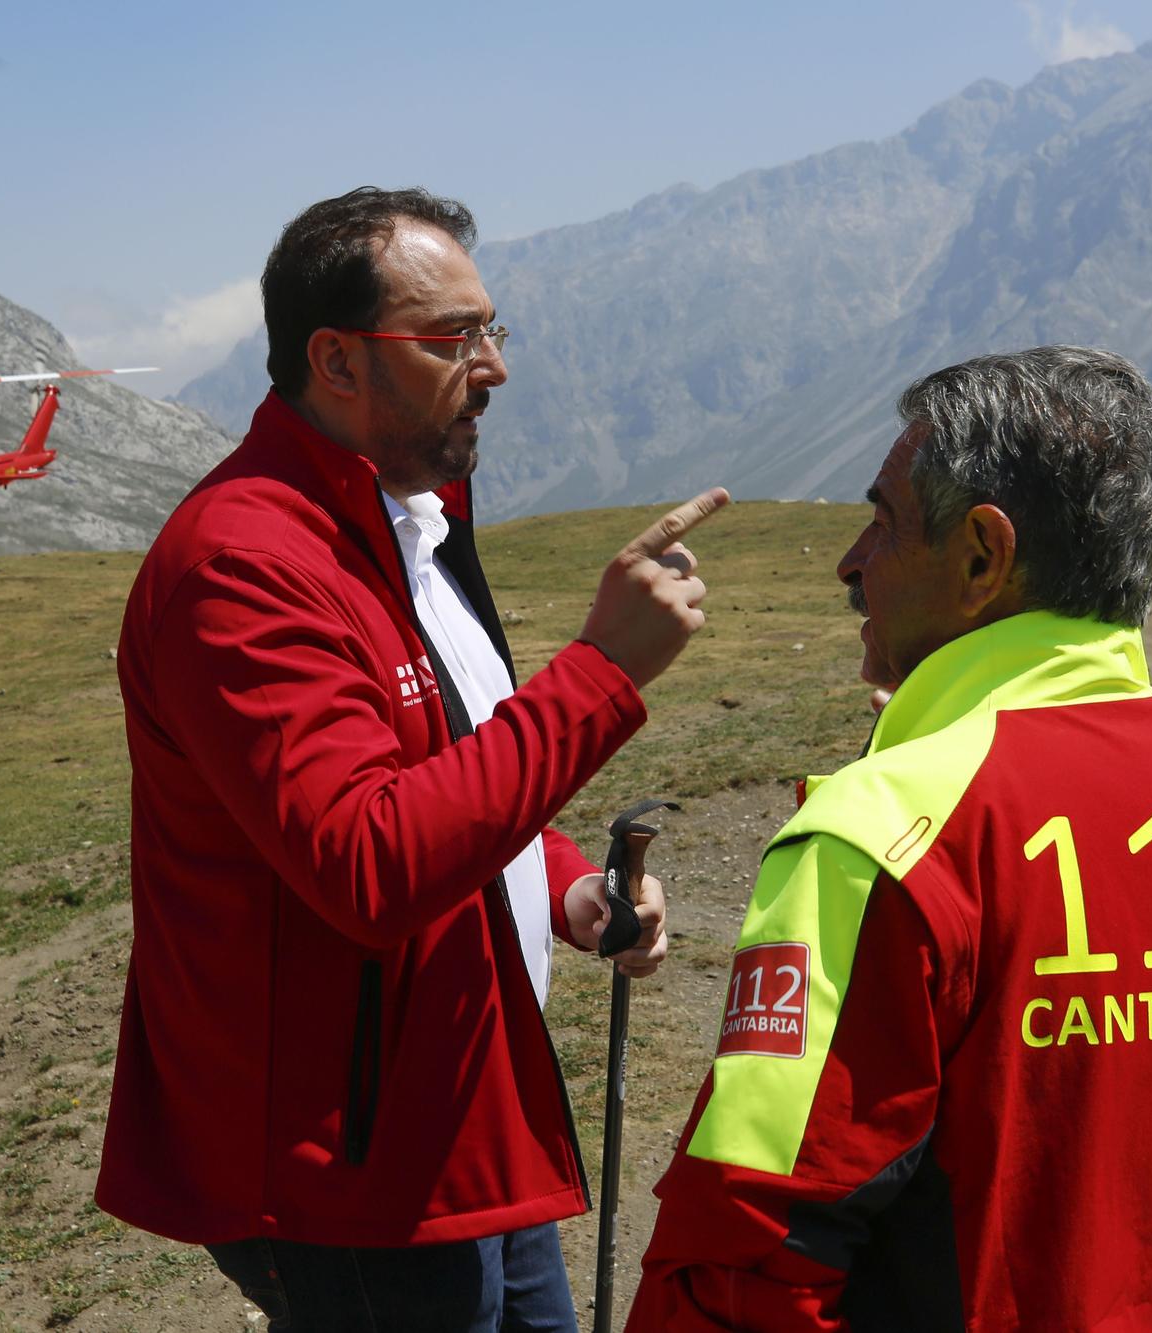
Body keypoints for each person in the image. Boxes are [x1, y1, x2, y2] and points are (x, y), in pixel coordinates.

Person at [95, 186, 728, 1330]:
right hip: (347, 1171)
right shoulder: (240, 564)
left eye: (490, 330)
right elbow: (367, 861)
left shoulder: (409, 515)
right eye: (450, 339)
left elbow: (446, 768)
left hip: (460, 1102)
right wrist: (600, 670)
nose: (492, 367)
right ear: (335, 360)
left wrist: (563, 885)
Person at [631, 346, 1152, 1331]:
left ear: (980, 556)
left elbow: (755, 1231)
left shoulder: (878, 830)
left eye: (881, 519)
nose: (849, 561)